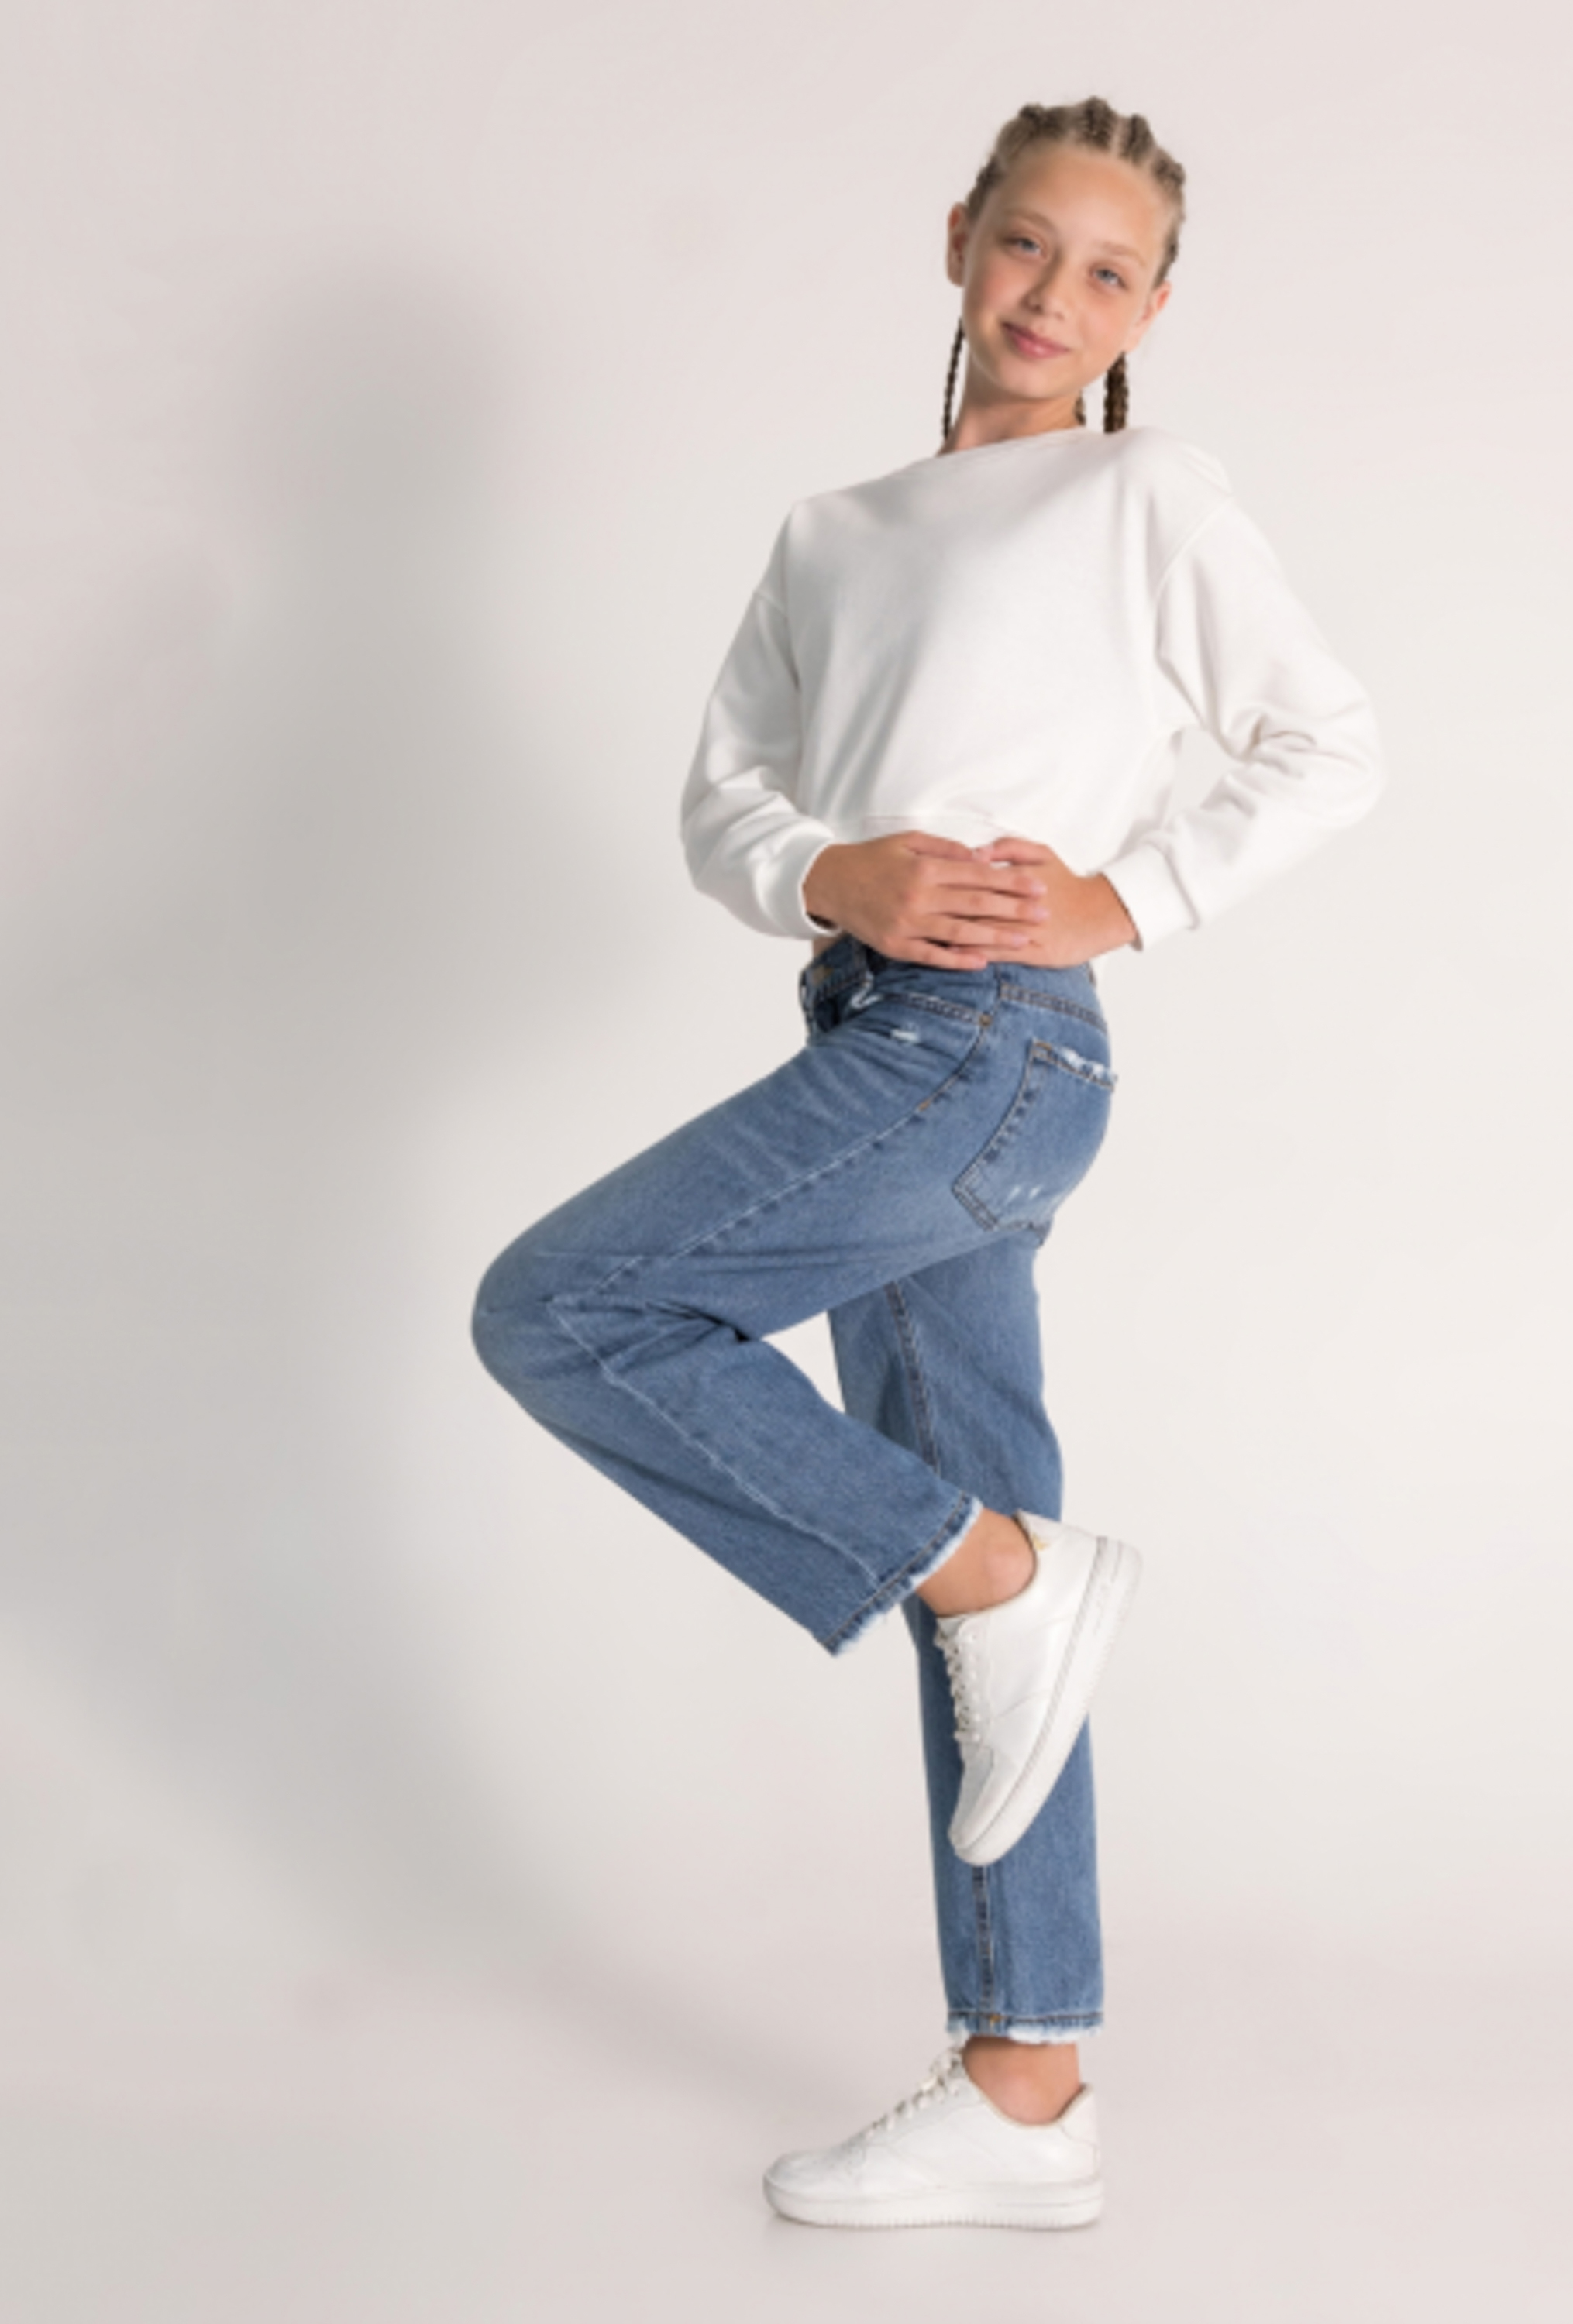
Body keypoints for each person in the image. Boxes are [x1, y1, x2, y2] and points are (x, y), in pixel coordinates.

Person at [472, 95, 1384, 2231]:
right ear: (960, 236)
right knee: (989, 1589)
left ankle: (994, 1577)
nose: (1057, 294)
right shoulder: (833, 534)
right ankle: (1028, 2085)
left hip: (990, 1053)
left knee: (563, 1310)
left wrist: (1126, 898)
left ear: (1153, 310)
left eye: (1110, 270)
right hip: (875, 1035)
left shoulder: (1145, 492)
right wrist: (837, 872)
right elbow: (726, 803)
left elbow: (1326, 743)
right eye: (1029, 243)